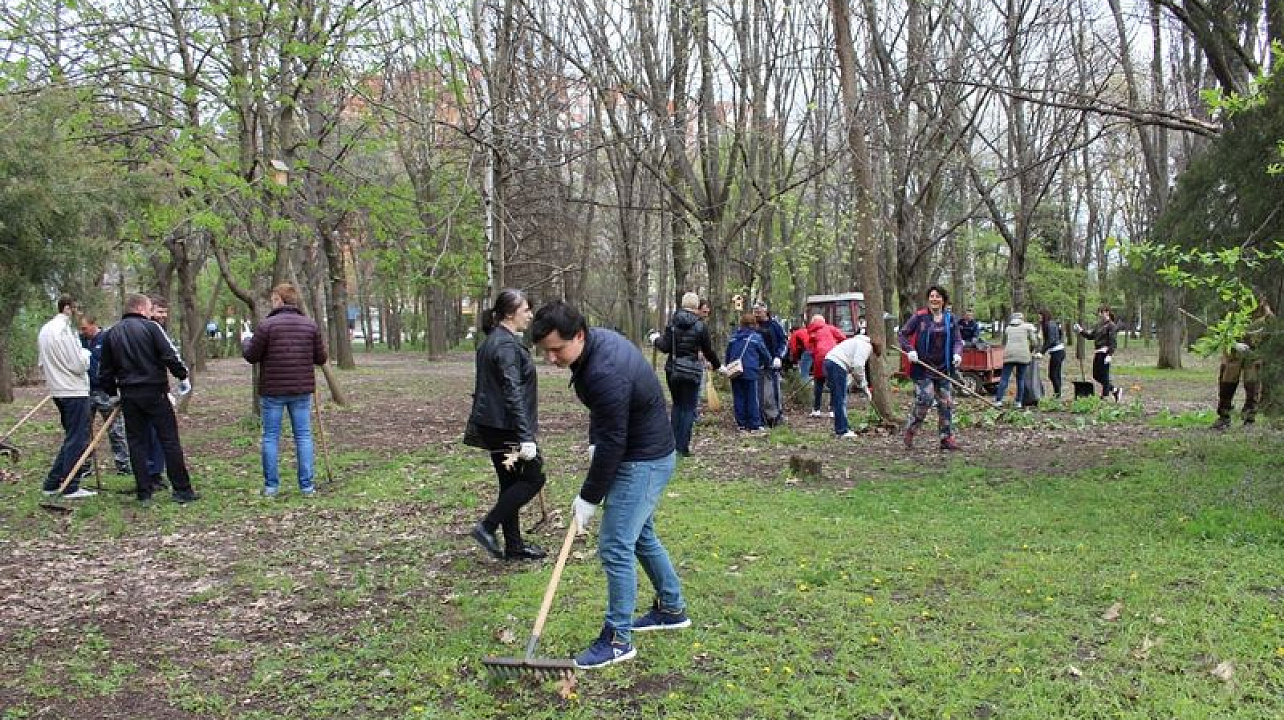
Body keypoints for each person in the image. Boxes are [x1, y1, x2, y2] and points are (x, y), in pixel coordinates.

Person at [530, 300, 689, 670]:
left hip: (644, 460)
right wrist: (594, 441)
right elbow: (603, 414)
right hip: (642, 450)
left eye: (556, 349)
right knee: (641, 535)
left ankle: (618, 640)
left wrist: (589, 497)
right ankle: (671, 608)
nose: (551, 359)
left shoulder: (605, 369)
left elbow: (614, 442)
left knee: (616, 545)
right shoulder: (594, 347)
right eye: (545, 351)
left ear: (579, 335)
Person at [463, 289, 548, 561]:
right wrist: (525, 436)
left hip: (497, 426)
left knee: (510, 483)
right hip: (506, 429)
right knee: (534, 477)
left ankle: (514, 546)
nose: (530, 315)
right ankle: (487, 527)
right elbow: (512, 392)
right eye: (526, 310)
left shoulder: (496, 341)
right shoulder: (505, 346)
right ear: (510, 314)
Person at [98, 293, 199, 504]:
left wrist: (113, 393)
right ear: (141, 308)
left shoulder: (111, 334)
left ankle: (144, 491)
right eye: (149, 308)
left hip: (129, 394)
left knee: (136, 443)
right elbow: (169, 354)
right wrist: (182, 375)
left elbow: (105, 371)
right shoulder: (152, 328)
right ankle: (182, 489)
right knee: (169, 440)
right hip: (155, 392)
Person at [241, 283, 328, 498]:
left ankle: (271, 487)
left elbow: (252, 356)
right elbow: (321, 358)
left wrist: (246, 340)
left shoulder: (266, 326)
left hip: (273, 390)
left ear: (279, 300)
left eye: (273, 299)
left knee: (271, 436)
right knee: (303, 436)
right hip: (301, 388)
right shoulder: (309, 326)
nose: (272, 303)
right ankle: (306, 486)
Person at [36, 295, 97, 499]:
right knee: (78, 439)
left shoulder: (45, 330)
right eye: (76, 309)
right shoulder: (64, 331)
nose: (79, 314)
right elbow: (78, 364)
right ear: (68, 308)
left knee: (72, 437)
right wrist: (86, 354)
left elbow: (42, 362)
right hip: (73, 390)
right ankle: (71, 485)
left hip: (58, 389)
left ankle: (52, 483)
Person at [651, 292, 720, 456]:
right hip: (692, 371)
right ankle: (683, 447)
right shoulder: (701, 326)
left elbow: (665, 347)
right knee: (688, 408)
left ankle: (672, 445)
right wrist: (717, 365)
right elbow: (708, 350)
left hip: (673, 370)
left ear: (682, 304)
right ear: (696, 306)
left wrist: (655, 339)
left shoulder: (673, 322)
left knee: (677, 406)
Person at [898, 286, 964, 450]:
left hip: (943, 368)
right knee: (925, 399)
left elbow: (958, 340)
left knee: (946, 403)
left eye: (938, 296)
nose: (934, 299)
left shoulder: (950, 319)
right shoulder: (920, 317)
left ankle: (946, 438)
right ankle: (910, 431)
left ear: (943, 300)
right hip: (923, 368)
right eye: (932, 296)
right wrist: (910, 350)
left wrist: (957, 354)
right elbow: (902, 334)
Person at [80, 315, 131, 475]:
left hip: (106, 391)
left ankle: (123, 466)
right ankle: (85, 466)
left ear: (93, 324)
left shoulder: (107, 339)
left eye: (85, 328)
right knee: (83, 431)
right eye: (81, 329)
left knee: (116, 430)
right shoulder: (80, 341)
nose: (83, 332)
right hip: (85, 391)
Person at [1212, 299, 1273, 430]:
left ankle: (1249, 419)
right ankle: (1224, 417)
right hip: (1233, 354)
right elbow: (1221, 329)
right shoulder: (1234, 309)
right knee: (1226, 384)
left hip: (1254, 355)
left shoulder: (1267, 316)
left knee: (1252, 386)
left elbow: (1271, 337)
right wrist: (1233, 343)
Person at [822, 334, 878, 439]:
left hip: (831, 362)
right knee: (840, 399)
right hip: (837, 365)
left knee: (839, 398)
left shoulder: (856, 342)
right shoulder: (866, 346)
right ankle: (842, 430)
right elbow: (858, 366)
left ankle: (842, 427)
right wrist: (863, 385)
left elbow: (852, 369)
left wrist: (863, 386)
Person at [724, 313, 773, 432]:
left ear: (741, 324)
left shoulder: (733, 338)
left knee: (738, 397)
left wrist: (729, 367)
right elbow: (765, 355)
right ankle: (754, 423)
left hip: (735, 370)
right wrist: (766, 364)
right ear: (754, 324)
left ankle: (741, 423)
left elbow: (728, 356)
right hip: (751, 370)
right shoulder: (756, 338)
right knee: (752, 397)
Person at [752, 302, 788, 427]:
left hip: (772, 365)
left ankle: (775, 416)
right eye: (755, 312)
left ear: (765, 311)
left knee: (772, 392)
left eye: (759, 312)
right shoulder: (752, 326)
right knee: (757, 393)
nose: (757, 314)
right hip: (756, 364)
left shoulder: (774, 325)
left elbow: (783, 342)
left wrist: (778, 357)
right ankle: (760, 418)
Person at [993, 312, 1039, 407]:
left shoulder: (1008, 328)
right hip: (1023, 355)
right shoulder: (1027, 327)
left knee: (1004, 378)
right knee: (1020, 379)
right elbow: (1034, 341)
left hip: (1009, 354)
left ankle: (998, 400)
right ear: (1022, 319)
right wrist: (1030, 349)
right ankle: (1018, 402)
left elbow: (1005, 341)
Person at [1075, 306, 1120, 401]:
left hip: (1105, 352)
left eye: (1101, 312)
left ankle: (1105, 396)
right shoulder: (1098, 325)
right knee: (1096, 375)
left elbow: (1113, 341)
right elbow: (1091, 336)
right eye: (1099, 312)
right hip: (1098, 352)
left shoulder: (1111, 326)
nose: (1099, 314)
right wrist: (1081, 331)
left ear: (1107, 313)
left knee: (1105, 375)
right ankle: (1115, 390)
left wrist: (1109, 354)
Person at [805, 314, 847, 417]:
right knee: (833, 383)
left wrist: (814, 356)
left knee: (818, 383)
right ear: (823, 321)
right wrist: (836, 346)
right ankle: (833, 410)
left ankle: (816, 409)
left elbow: (810, 348)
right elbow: (843, 338)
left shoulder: (811, 332)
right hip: (833, 356)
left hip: (819, 358)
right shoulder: (830, 328)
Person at [1039, 309, 1066, 399]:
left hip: (1057, 352)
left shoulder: (1049, 325)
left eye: (1040, 316)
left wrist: (1041, 352)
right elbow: (1058, 335)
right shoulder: (1053, 324)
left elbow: (1051, 340)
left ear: (1044, 316)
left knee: (1053, 374)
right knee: (1056, 374)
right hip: (1059, 351)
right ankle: (1058, 394)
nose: (1039, 318)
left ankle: (1057, 395)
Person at [787, 316, 812, 380]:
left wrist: (795, 360)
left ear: (792, 331)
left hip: (808, 350)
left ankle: (805, 385)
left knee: (804, 373)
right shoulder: (806, 331)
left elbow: (794, 349)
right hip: (817, 350)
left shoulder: (795, 334)